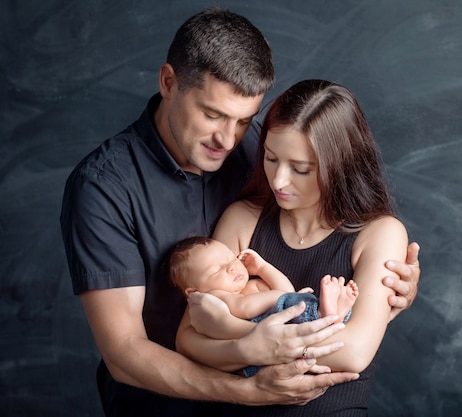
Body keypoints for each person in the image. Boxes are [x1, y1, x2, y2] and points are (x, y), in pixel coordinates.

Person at [60, 7, 420, 417]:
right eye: (212, 115)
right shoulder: (104, 187)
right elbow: (125, 352)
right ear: (168, 83)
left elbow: (353, 336)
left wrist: (384, 296)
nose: (227, 139)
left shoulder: (260, 152)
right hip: (160, 407)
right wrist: (251, 383)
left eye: (245, 121)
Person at [179, 79, 411, 416]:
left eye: (300, 169)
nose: (278, 181)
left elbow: (353, 352)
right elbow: (188, 339)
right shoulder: (243, 219)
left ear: (340, 166)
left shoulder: (380, 234)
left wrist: (243, 337)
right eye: (271, 159)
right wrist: (252, 347)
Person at [167, 236, 358, 376]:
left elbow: (286, 289)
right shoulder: (214, 298)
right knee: (292, 305)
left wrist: (262, 268)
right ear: (194, 292)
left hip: (284, 327)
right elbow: (245, 308)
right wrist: (284, 297)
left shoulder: (254, 284)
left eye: (231, 258)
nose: (231, 267)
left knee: (293, 304)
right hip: (262, 348)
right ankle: (327, 313)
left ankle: (332, 315)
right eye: (216, 270)